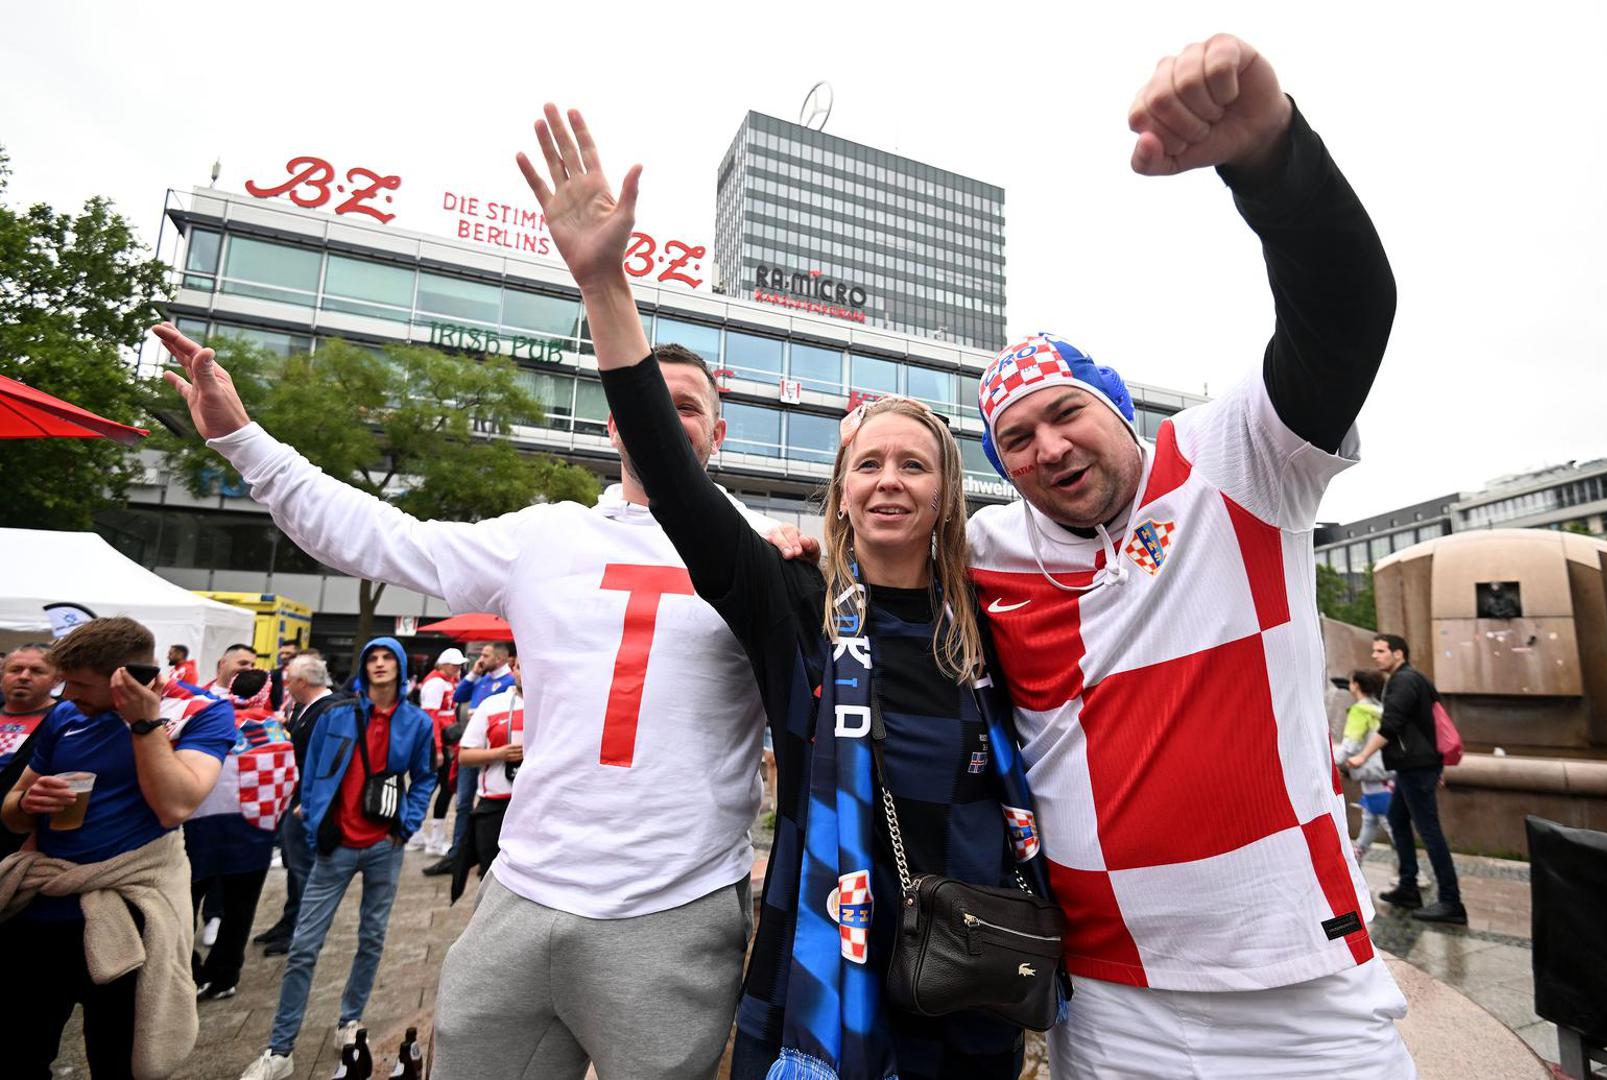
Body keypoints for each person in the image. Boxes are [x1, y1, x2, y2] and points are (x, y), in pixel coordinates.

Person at [525, 104, 1050, 1079]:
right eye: (868, 465)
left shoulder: (991, 618)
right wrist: (605, 284)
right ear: (840, 496)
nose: (889, 478)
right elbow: (677, 483)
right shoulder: (791, 602)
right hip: (829, 952)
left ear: (945, 498)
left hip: (969, 962)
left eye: (914, 465)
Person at [154, 306, 801, 1079]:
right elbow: (381, 538)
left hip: (675, 904)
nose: (663, 422)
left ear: (718, 435)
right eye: (647, 405)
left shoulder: (769, 552)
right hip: (522, 892)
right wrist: (243, 442)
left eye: (686, 408)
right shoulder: (544, 535)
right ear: (614, 426)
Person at [960, 34, 1413, 1077]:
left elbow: (1342, 320)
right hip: (1111, 1001)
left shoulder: (1235, 458)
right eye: (1016, 442)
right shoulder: (988, 547)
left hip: (1302, 995)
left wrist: (1271, 163)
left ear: (1116, 407)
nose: (1048, 448)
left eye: (1065, 414)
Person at [0, 617, 236, 1079]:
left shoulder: (201, 712)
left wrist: (143, 724)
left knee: (119, 1064)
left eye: (81, 685)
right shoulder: (65, 716)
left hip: (127, 915)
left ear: (124, 678)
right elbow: (10, 810)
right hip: (43, 908)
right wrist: (28, 801)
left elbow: (175, 805)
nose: (68, 695)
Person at [239, 639, 437, 1080]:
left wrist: (406, 824)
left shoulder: (416, 723)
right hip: (336, 845)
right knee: (304, 947)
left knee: (371, 938)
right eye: (373, 658)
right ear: (364, 667)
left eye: (388, 658)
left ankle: (350, 1021)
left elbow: (425, 776)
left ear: (400, 668)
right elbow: (311, 774)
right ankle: (280, 1049)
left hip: (385, 845)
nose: (380, 664)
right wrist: (312, 822)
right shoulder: (339, 716)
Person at [184, 668, 293, 1000]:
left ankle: (186, 970)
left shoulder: (209, 722)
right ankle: (225, 974)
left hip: (199, 832)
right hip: (254, 835)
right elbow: (287, 783)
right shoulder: (278, 731)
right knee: (240, 910)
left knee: (184, 907)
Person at [1351, 633, 1466, 924]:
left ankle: (1451, 902)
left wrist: (1362, 756)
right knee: (1398, 820)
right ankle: (1408, 887)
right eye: (1374, 651)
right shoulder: (1412, 679)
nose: (1375, 656)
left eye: (1380, 651)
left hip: (1416, 767)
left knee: (1429, 831)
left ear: (1398, 653)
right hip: (1413, 766)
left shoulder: (1404, 680)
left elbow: (1391, 724)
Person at [253, 653, 346, 956]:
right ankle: (290, 920)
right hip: (297, 799)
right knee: (295, 866)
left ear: (302, 682)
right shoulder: (308, 708)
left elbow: (331, 763)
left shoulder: (329, 711)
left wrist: (311, 802)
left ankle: (303, 932)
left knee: (305, 869)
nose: (286, 685)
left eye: (289, 680)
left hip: (307, 804)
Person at [424, 641, 516, 876]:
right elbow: (459, 695)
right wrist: (474, 674)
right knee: (463, 802)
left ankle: (489, 853)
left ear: (501, 658)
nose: (480, 659)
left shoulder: (509, 683)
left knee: (494, 805)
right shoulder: (482, 679)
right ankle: (458, 854)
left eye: (485, 655)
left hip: (496, 754)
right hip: (472, 748)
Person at [1, 643, 80, 858]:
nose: (24, 677)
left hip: (21, 846)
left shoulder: (70, 722)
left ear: (57, 679)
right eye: (15, 670)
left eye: (37, 671)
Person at [453, 655, 523, 879]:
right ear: (513, 669)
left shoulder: (554, 706)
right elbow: (464, 756)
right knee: (492, 876)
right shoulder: (492, 705)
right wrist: (499, 754)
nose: (528, 672)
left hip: (536, 807)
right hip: (495, 804)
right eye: (522, 667)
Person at [1335, 669, 1389, 860]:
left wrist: (1330, 760)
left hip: (1375, 777)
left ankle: (1412, 874)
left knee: (1392, 826)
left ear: (1356, 685)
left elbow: (1350, 746)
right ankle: (1356, 865)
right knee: (1370, 821)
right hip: (1384, 774)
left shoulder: (1359, 711)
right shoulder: (1380, 709)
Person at [415, 647, 464, 855]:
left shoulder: (447, 681)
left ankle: (429, 837)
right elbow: (431, 717)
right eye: (455, 665)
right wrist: (437, 748)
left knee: (442, 786)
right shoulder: (435, 683)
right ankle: (421, 835)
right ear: (444, 665)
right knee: (432, 786)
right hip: (437, 742)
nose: (458, 668)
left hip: (446, 740)